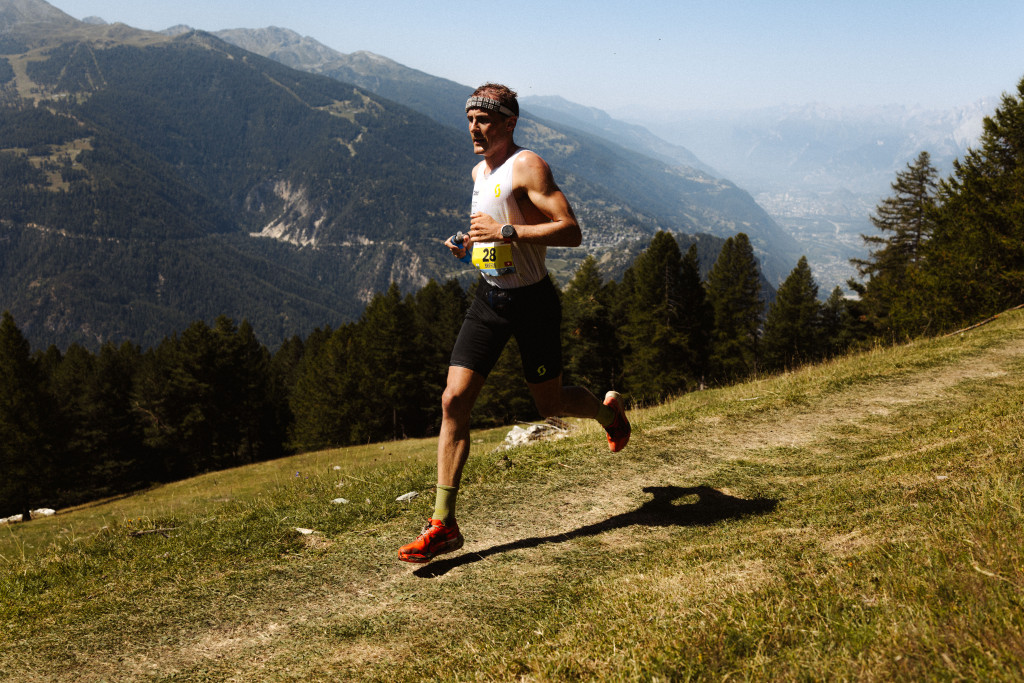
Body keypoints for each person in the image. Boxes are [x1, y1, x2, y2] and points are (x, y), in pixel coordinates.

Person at [398, 83, 630, 564]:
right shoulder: (479, 171)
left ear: (509, 123)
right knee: (453, 400)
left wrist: (507, 231)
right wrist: (470, 244)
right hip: (489, 299)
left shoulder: (528, 165)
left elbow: (571, 231)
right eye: (469, 119)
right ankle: (443, 524)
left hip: (533, 303)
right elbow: (492, 230)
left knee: (551, 404)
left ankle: (610, 414)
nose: (473, 128)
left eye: (483, 120)